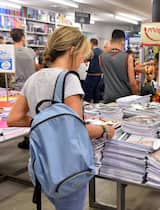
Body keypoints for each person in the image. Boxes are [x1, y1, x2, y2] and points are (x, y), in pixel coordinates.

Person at [7, 26, 115, 210]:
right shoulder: (69, 79)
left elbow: (14, 118)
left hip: (42, 164)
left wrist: (45, 122)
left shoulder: (34, 78)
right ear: (72, 50)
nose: (82, 61)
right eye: (82, 55)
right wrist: (105, 130)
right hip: (67, 166)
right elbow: (78, 129)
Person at [101, 29, 138, 103]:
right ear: (123, 41)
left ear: (111, 40)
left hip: (108, 98)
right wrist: (137, 96)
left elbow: (106, 74)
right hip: (125, 99)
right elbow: (132, 83)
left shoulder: (102, 57)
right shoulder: (127, 57)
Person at [84, 38, 103, 103]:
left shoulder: (91, 52)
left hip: (91, 76)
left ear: (91, 44)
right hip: (99, 76)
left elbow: (85, 60)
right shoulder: (102, 52)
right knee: (96, 94)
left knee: (88, 95)